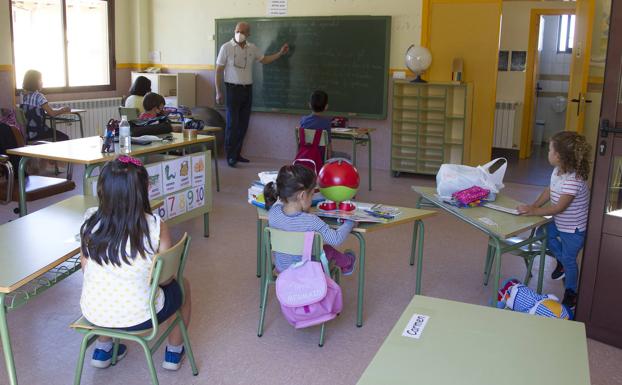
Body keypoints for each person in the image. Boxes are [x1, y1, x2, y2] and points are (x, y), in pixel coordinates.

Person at [79, 156, 192, 371]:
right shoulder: (155, 225)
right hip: (142, 316)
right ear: (144, 191)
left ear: (102, 190)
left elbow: (85, 269)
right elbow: (166, 277)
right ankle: (174, 353)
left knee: (105, 284)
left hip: (94, 313)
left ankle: (103, 348)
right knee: (183, 284)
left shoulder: (90, 221)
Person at [517, 131, 591, 308]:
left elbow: (559, 208)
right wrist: (533, 205)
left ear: (558, 156)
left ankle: (571, 292)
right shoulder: (557, 171)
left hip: (574, 230)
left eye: (550, 149)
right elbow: (549, 191)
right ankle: (562, 263)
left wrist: (535, 212)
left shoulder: (574, 180)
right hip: (560, 222)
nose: (547, 152)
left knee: (570, 259)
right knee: (544, 232)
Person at [215, 21, 289, 167]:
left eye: (243, 32)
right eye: (237, 30)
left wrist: (280, 53)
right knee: (232, 124)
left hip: (247, 89)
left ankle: (237, 154)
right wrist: (218, 91)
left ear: (248, 34)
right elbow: (218, 70)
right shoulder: (226, 47)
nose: (239, 34)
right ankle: (230, 156)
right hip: (232, 89)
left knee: (243, 124)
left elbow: (265, 59)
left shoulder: (252, 48)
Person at [263, 164, 357, 275]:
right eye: (312, 194)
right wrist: (350, 222)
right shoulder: (311, 221)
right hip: (307, 272)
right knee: (327, 250)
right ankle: (347, 264)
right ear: (302, 196)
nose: (313, 198)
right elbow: (336, 239)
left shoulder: (273, 211)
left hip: (283, 269)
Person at [20, 69, 70, 141]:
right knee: (64, 137)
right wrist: (63, 109)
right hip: (39, 133)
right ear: (34, 82)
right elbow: (52, 113)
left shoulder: (22, 96)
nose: (42, 82)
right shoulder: (39, 96)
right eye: (40, 80)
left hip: (27, 134)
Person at [299, 90, 350, 160]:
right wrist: (328, 161)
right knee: (347, 156)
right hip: (322, 156)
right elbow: (328, 146)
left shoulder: (303, 120)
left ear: (309, 105)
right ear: (326, 107)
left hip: (305, 154)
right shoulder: (326, 123)